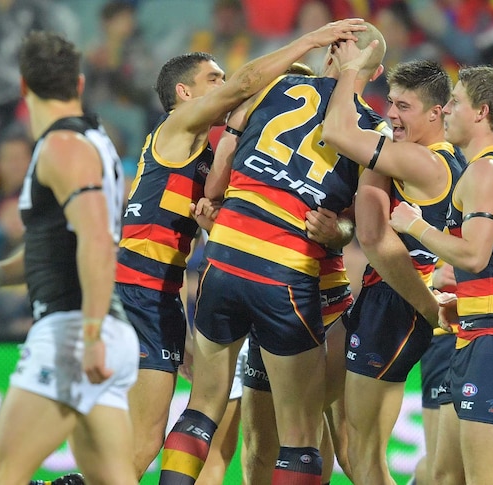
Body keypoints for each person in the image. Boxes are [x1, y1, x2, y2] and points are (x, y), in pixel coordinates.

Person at [158, 22, 428, 485]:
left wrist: (226, 204)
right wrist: (343, 232)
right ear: (377, 71)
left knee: (204, 408)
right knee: (299, 439)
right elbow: (367, 225)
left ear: (329, 56)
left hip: (227, 260)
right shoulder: (373, 132)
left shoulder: (274, 86)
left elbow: (220, 174)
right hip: (287, 276)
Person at [114, 18, 367, 480]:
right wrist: (311, 39)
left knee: (184, 425)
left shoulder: (222, 152)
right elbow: (250, 81)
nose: (227, 86)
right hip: (141, 294)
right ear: (187, 94)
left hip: (170, 292)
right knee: (300, 435)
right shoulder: (179, 125)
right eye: (215, 79)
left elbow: (217, 211)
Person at [0, 31, 135, 485]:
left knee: (1, 476)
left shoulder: (61, 148)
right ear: (81, 84)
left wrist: (89, 336)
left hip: (74, 332)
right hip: (100, 330)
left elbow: (95, 240)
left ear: (24, 87)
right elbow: (54, 248)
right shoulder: (96, 143)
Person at [205, 60, 391, 485]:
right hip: (274, 290)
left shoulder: (370, 133)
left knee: (348, 446)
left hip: (324, 300)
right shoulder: (269, 109)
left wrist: (337, 231)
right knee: (265, 446)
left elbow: (358, 223)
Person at [390, 65, 493, 485]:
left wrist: (414, 225)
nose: (447, 112)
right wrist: (476, 299)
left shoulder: (484, 172)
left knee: (482, 480)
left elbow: (475, 255)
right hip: (483, 332)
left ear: (481, 111)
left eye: (455, 102)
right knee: (448, 476)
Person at [322, 53, 467, 484]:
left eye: (404, 107)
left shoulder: (426, 161)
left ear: (437, 112)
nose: (391, 115)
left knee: (366, 456)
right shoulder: (424, 157)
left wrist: (350, 69)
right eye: (390, 103)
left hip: (397, 305)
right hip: (380, 299)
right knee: (337, 430)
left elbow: (336, 132)